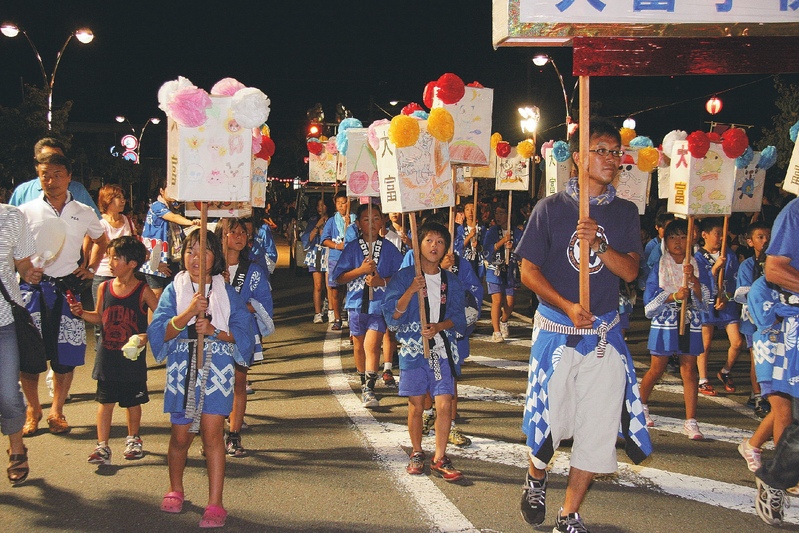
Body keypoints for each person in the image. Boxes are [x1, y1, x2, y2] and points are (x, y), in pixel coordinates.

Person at [516, 118, 652, 532]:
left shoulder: (626, 212)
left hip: (604, 337)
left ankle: (569, 512)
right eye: (602, 150)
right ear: (579, 157)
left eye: (616, 152)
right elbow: (528, 271)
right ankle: (537, 475)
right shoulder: (551, 208)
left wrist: (601, 243)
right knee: (551, 424)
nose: (612, 159)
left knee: (597, 428)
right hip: (557, 331)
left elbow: (630, 271)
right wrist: (567, 304)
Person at [148, 229, 253, 528]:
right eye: (190, 250)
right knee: (180, 436)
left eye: (204, 250)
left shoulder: (226, 291)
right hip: (183, 369)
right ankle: (175, 488)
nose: (196, 257)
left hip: (217, 369)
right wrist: (188, 314)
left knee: (212, 436)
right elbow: (159, 332)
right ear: (182, 256)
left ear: (214, 256)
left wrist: (214, 331)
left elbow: (244, 335)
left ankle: (216, 502)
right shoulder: (175, 288)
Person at [18, 152, 108, 436]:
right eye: (45, 174)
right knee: (29, 357)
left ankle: (57, 410)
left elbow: (101, 239)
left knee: (65, 355)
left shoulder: (83, 210)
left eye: (57, 174)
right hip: (32, 289)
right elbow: (11, 247)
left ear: (69, 176)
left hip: (67, 288)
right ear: (38, 176)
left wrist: (91, 268)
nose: (51, 180)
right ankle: (33, 409)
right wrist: (23, 270)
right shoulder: (27, 210)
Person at [382, 221, 467, 482]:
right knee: (417, 405)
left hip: (441, 350)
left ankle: (440, 457)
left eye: (440, 242)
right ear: (419, 245)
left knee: (444, 404)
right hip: (412, 350)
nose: (434, 246)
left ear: (445, 250)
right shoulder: (404, 276)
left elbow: (460, 318)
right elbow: (392, 317)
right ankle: (417, 451)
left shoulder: (450, 281)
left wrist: (439, 326)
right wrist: (410, 291)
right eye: (429, 240)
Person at [68, 237, 158, 465]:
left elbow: (159, 319)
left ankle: (133, 439)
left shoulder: (143, 290)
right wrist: (81, 313)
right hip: (107, 356)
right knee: (104, 402)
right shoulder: (104, 287)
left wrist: (147, 336)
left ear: (132, 263)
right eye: (110, 256)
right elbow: (99, 317)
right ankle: (102, 446)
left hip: (131, 358)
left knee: (132, 402)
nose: (110, 261)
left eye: (116, 257)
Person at [745, 196, 799, 526]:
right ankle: (775, 476)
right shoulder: (795, 212)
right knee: (785, 413)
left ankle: (775, 475)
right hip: (786, 338)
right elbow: (775, 268)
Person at [639, 218, 710, 440]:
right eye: (672, 237)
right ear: (665, 241)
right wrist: (674, 296)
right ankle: (640, 406)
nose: (678, 242)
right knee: (657, 368)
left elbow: (707, 300)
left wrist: (695, 283)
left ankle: (691, 420)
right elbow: (649, 303)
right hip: (665, 322)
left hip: (691, 321)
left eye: (682, 236)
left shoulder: (697, 265)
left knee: (689, 370)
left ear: (691, 238)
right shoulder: (659, 266)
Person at [331, 203, 403, 407]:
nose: (371, 223)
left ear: (383, 221)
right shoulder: (352, 248)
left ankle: (369, 389)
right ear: (357, 224)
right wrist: (361, 270)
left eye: (376, 219)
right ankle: (363, 380)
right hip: (355, 304)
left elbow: (401, 277)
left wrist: (382, 281)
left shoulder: (389, 248)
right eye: (366, 219)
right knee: (358, 346)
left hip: (379, 306)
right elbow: (338, 278)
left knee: (372, 345)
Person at [215, 218, 274, 457]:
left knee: (238, 383)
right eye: (233, 232)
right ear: (222, 235)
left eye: (243, 233)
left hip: (241, 332)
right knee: (215, 384)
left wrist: (237, 305)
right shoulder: (210, 269)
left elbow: (261, 303)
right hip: (215, 331)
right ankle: (213, 434)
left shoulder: (254, 270)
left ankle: (234, 434)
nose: (239, 237)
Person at [0, 202, 43, 484]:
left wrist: (28, 272)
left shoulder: (10, 216)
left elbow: (23, 263)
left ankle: (17, 448)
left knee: (7, 393)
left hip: (4, 319)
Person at [694, 217, 744, 396]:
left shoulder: (729, 255)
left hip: (726, 302)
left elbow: (735, 281)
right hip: (707, 304)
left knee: (737, 342)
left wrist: (728, 297)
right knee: (705, 344)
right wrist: (714, 270)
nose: (721, 238)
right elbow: (699, 283)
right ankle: (703, 379)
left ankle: (725, 371)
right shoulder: (698, 257)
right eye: (717, 234)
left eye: (723, 234)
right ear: (704, 235)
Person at [733, 221, 772, 419]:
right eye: (760, 237)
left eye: (768, 237)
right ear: (750, 241)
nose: (765, 241)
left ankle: (766, 392)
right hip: (754, 319)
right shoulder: (748, 265)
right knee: (757, 358)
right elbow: (742, 293)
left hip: (774, 319)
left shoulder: (776, 262)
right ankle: (759, 396)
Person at [139, 178, 201, 299]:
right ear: (161, 191)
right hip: (154, 257)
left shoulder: (175, 206)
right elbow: (173, 217)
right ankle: (155, 318)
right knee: (156, 296)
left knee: (171, 295)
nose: (174, 193)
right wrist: (191, 222)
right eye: (170, 190)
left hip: (171, 257)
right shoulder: (157, 206)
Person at [9, 137, 100, 217]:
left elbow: (96, 227)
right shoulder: (22, 192)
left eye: (58, 159)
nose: (53, 163)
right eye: (46, 158)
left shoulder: (78, 190)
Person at [92, 185, 137, 312]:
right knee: (102, 316)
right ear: (107, 200)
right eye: (118, 197)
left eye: (123, 197)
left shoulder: (127, 220)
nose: (123, 201)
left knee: (124, 313)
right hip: (104, 273)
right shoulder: (99, 223)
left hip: (126, 275)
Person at [482, 203, 521, 342]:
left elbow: (523, 252)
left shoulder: (517, 232)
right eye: (497, 213)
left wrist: (513, 248)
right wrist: (501, 242)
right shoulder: (492, 231)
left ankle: (504, 320)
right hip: (495, 270)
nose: (498, 216)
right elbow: (486, 250)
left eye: (502, 213)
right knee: (497, 301)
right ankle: (496, 330)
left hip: (511, 270)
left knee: (510, 302)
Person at [321, 192, 356, 330]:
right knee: (335, 290)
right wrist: (337, 246)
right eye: (339, 203)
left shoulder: (355, 219)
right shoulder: (331, 221)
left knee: (351, 289)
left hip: (352, 259)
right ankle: (337, 318)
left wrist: (350, 224)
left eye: (344, 202)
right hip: (335, 258)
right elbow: (324, 239)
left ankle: (350, 316)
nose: (341, 206)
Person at [301, 198, 331, 323]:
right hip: (316, 253)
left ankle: (331, 310)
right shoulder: (313, 220)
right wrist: (317, 225)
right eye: (318, 205)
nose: (320, 207)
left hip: (329, 252)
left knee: (329, 284)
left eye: (323, 204)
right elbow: (308, 238)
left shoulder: (333, 220)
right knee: (318, 285)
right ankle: (317, 313)